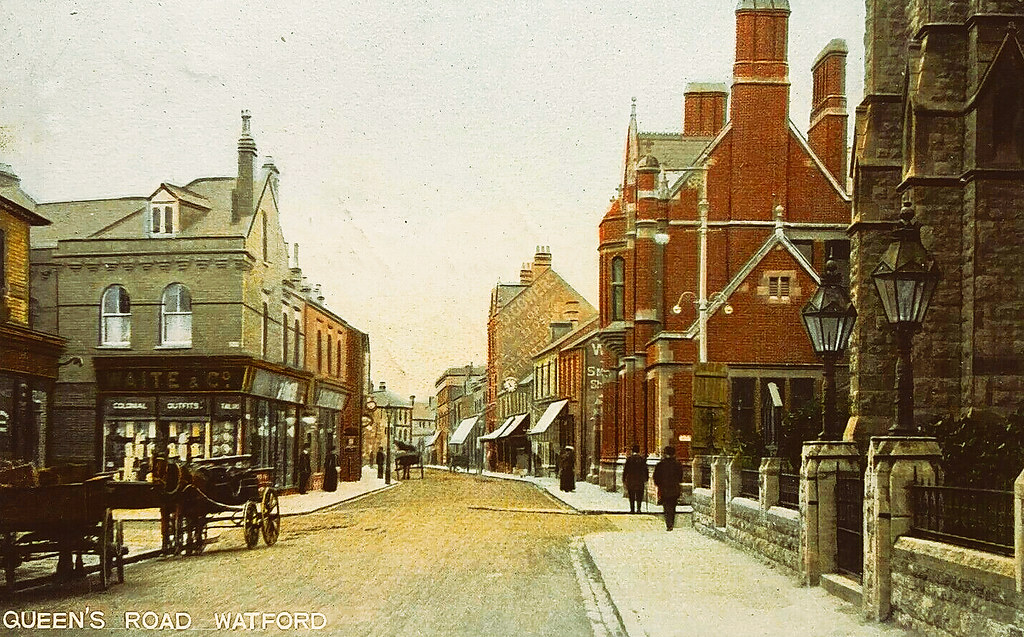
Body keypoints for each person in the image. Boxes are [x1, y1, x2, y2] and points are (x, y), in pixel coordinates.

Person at [653, 445, 684, 531]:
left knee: (666, 507)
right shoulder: (678, 464)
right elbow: (680, 476)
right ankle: (671, 523)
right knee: (673, 506)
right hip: (674, 488)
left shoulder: (660, 464)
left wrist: (659, 485)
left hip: (664, 488)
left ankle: (668, 524)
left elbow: (656, 476)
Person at [622, 444, 649, 514]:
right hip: (640, 480)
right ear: (638, 451)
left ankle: (632, 509)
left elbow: (626, 470)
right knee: (639, 495)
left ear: (632, 451)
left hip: (631, 480)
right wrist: (646, 479)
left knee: (631, 495)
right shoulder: (642, 459)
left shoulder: (629, 459)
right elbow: (645, 470)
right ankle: (639, 509)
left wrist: (624, 479)